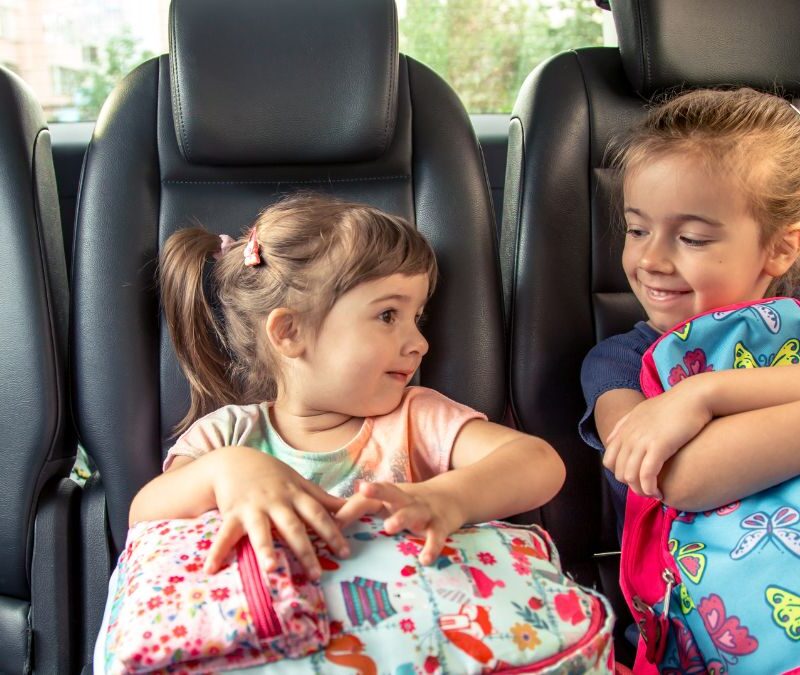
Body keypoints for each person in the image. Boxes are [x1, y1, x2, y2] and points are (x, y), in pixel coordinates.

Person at [130, 193, 565, 581]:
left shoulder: (417, 419)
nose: (420, 344)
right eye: (388, 315)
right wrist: (225, 470)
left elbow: (539, 463)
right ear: (290, 332)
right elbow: (143, 516)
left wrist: (444, 498)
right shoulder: (226, 437)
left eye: (419, 319)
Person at [580, 87, 800, 531]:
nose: (651, 261)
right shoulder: (621, 364)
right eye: (637, 230)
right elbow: (675, 476)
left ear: (779, 248)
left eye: (692, 239)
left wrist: (704, 395)